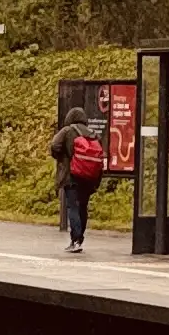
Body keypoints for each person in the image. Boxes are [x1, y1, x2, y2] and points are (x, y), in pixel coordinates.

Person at [49, 102, 110, 254]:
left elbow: (54, 145)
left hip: (72, 176)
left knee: (73, 207)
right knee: (83, 207)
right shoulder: (92, 133)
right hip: (88, 177)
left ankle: (75, 240)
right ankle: (79, 238)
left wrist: (63, 158)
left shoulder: (67, 131)